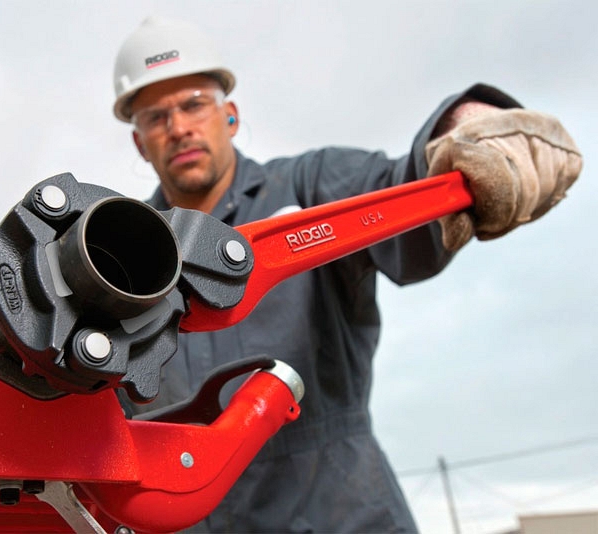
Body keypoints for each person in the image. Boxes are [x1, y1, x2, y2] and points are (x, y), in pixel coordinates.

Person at [112, 16, 582, 533]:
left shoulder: (310, 187)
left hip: (343, 514)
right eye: (156, 117)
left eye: (194, 104)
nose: (179, 127)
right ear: (140, 143)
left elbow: (402, 194)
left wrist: (461, 133)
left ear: (230, 115)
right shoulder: (122, 261)